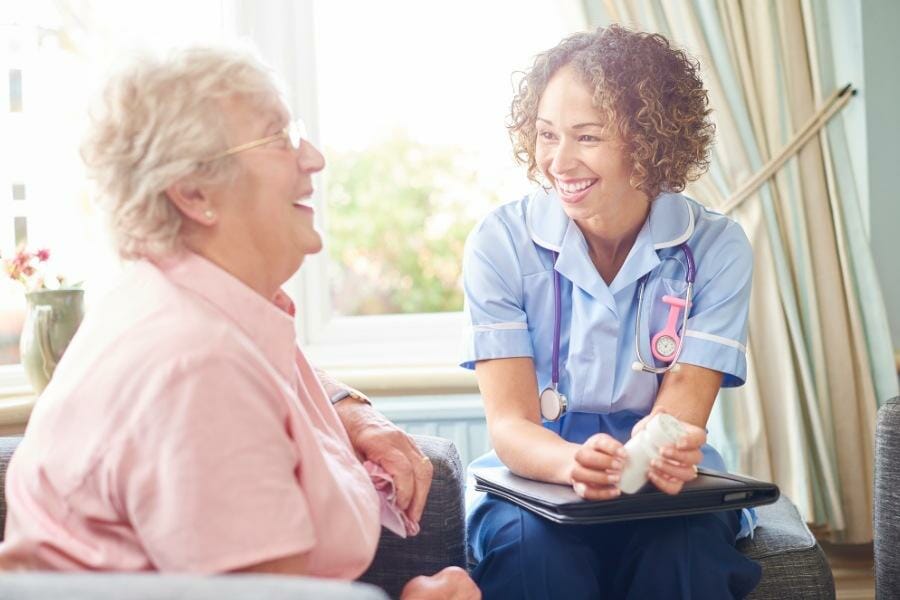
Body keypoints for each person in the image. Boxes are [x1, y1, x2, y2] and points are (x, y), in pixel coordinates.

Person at [0, 44, 478, 599]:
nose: (314, 158)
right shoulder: (197, 365)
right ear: (195, 193)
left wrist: (350, 412)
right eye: (279, 138)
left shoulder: (184, 301)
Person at [460, 25, 762, 599]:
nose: (558, 161)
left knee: (684, 552)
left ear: (649, 141)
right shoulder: (500, 242)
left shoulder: (715, 247)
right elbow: (511, 425)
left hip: (659, 481)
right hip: (537, 473)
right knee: (533, 556)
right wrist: (575, 462)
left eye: (588, 137)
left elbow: (680, 411)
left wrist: (661, 450)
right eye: (547, 135)